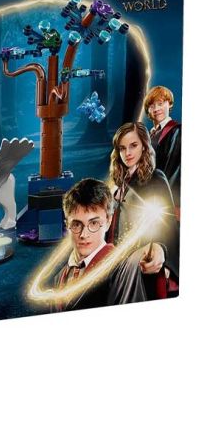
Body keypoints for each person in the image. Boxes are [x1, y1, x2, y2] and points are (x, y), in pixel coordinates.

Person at [108, 122, 179, 299]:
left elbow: (168, 225)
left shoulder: (156, 178)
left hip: (144, 262)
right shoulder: (119, 183)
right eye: (122, 148)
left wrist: (161, 250)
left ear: (144, 146)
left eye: (133, 145)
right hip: (119, 263)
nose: (128, 153)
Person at [55, 178, 144, 311]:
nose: (84, 234)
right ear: (67, 224)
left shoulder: (123, 270)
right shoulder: (59, 278)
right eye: (77, 224)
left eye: (94, 223)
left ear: (108, 221)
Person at [143, 86, 181, 216]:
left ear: (169, 104)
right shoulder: (150, 135)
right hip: (147, 196)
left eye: (160, 104)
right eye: (152, 106)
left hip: (163, 200)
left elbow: (173, 168)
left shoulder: (176, 131)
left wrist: (167, 202)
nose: (156, 109)